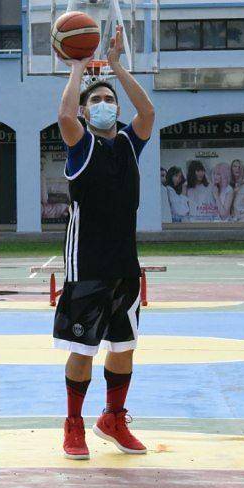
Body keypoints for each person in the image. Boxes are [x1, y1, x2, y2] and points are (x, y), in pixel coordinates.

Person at [52, 26, 155, 460]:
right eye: (96, 100)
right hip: (87, 263)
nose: (105, 104)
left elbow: (147, 110)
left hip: (125, 264)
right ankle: (73, 424)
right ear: (85, 108)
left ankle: (113, 418)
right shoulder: (81, 145)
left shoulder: (130, 144)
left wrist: (115, 67)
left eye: (109, 99)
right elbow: (64, 118)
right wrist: (78, 68)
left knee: (124, 346)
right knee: (83, 349)